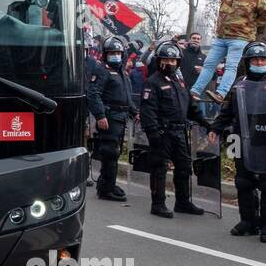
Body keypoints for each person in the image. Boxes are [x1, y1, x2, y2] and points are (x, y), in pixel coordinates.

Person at [209, 42, 266, 243]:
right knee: (244, 182)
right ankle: (248, 221)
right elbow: (227, 110)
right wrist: (216, 128)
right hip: (242, 139)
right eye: (255, 60)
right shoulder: (240, 83)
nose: (259, 62)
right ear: (248, 62)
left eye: (262, 60)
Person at [191, 0, 266, 102]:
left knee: (230, 66)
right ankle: (195, 91)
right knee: (209, 64)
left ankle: (221, 93)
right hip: (221, 37)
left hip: (240, 39)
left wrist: (254, 24)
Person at [140, 41, 206, 218]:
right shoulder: (152, 82)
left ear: (178, 62)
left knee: (184, 167)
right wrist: (153, 133)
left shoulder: (180, 82)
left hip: (179, 132)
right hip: (163, 132)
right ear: (159, 60)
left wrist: (206, 123)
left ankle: (183, 202)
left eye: (173, 60)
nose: (169, 63)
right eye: (166, 59)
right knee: (159, 168)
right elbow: (148, 110)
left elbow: (191, 108)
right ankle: (158, 204)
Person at [86, 35, 137, 201]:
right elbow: (94, 94)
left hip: (121, 117)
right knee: (109, 152)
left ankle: (109, 184)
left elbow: (127, 97)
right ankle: (106, 189)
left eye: (118, 52)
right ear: (105, 53)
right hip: (109, 117)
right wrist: (100, 115)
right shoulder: (102, 70)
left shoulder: (122, 72)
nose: (115, 55)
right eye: (112, 52)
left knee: (115, 153)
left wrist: (134, 112)